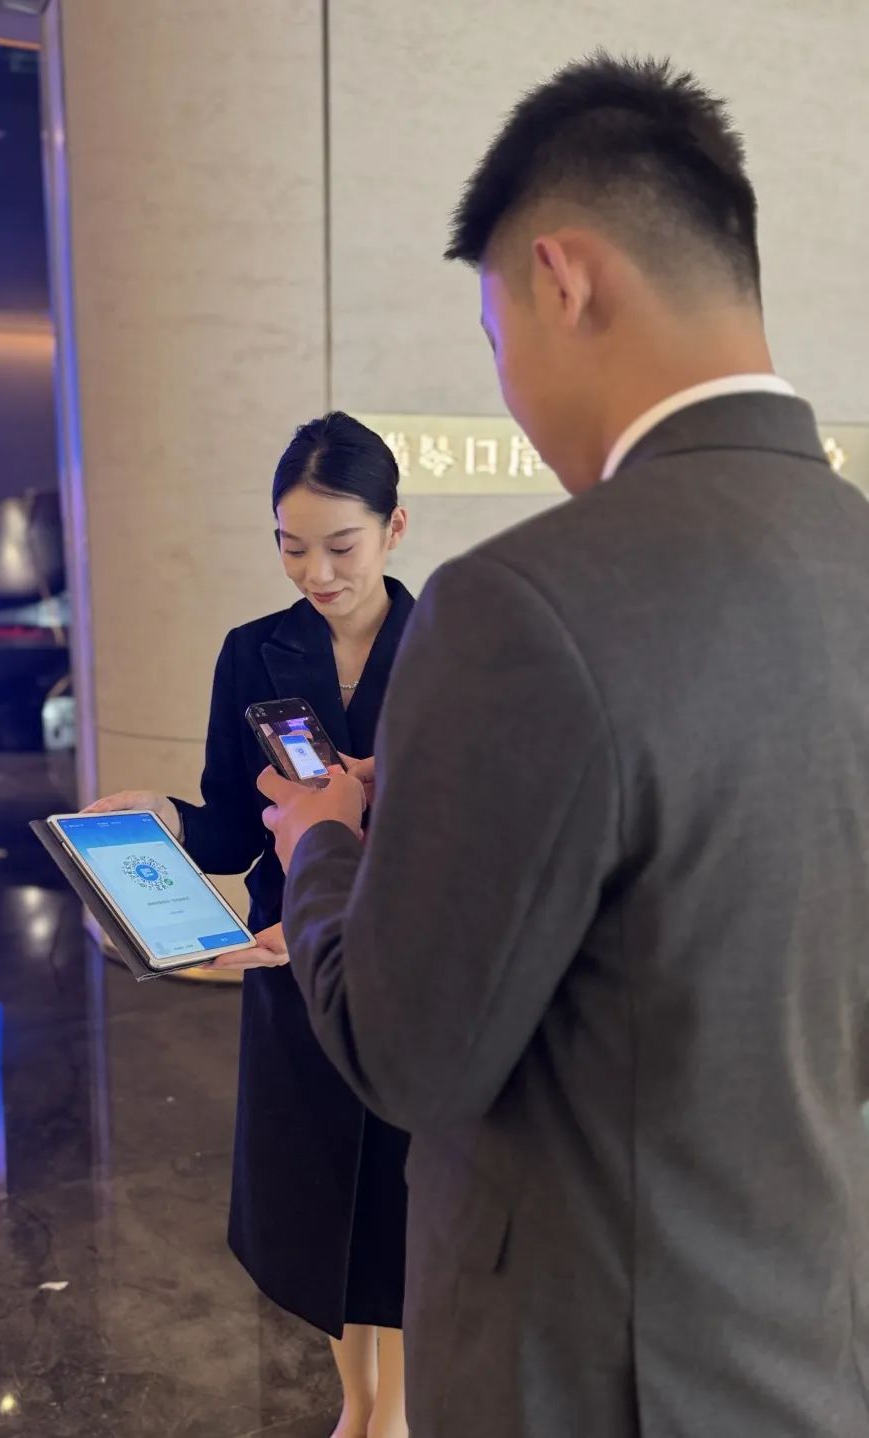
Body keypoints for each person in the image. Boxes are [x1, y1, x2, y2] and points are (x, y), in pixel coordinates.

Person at [254, 53, 869, 1438]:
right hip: (810, 1336)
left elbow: (407, 1053)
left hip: (584, 1370)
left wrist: (326, 844)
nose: (512, 386)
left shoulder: (519, 605)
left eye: (497, 336)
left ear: (564, 278)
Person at [85, 412, 413, 1438]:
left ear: (394, 528)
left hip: (409, 965)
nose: (317, 572)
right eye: (291, 545)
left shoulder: (454, 649)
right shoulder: (252, 653)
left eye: (341, 545)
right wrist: (166, 816)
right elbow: (232, 827)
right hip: (293, 958)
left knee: (402, 1199)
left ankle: (397, 1416)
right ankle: (357, 1401)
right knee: (317, 1204)